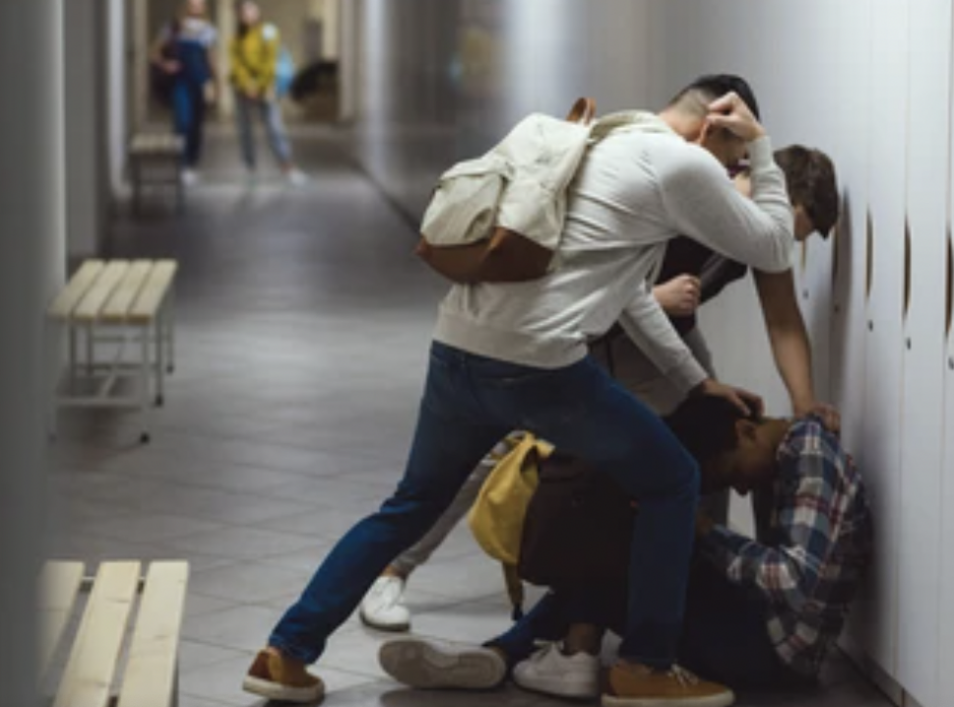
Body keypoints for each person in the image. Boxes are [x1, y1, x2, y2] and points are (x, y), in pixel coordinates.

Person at [243, 74, 795, 707]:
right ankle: (645, 665)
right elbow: (774, 243)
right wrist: (763, 148)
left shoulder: (597, 138)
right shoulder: (679, 162)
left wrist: (697, 383)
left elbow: (632, 296)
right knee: (672, 480)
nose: (728, 175)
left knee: (409, 505)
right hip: (540, 365)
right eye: (731, 160)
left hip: (458, 347)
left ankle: (285, 652)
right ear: (714, 129)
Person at [359, 144, 841, 632]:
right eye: (784, 227)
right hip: (583, 323)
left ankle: (679, 598)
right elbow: (587, 268)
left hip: (662, 338)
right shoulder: (689, 191)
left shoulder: (764, 231)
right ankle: (392, 570)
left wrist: (805, 409)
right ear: (763, 189)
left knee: (706, 440)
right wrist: (654, 298)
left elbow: (782, 319)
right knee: (499, 446)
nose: (777, 244)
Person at [378, 395, 873, 702]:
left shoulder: (806, 450)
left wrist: (705, 533)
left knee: (638, 544)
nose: (741, 490)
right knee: (637, 538)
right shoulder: (784, 455)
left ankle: (529, 654)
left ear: (745, 431)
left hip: (773, 653)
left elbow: (794, 580)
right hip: (759, 628)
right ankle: (529, 654)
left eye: (730, 474)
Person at [230, 1, 308, 186]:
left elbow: (271, 59)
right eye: (244, 11)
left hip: (266, 87)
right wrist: (247, 84)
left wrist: (260, 84)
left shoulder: (269, 31)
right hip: (243, 89)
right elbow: (237, 64)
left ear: (257, 11)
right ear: (239, 15)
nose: (248, 14)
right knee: (244, 129)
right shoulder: (236, 37)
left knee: (275, 127)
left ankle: (287, 166)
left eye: (251, 9)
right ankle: (249, 166)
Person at [151, 0, 219, 185]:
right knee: (183, 122)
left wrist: (215, 85)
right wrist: (166, 65)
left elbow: (212, 60)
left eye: (200, 3)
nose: (196, 6)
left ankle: (190, 165)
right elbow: (155, 52)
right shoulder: (173, 27)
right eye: (193, 2)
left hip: (200, 81)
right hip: (181, 82)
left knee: (197, 126)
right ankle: (179, 165)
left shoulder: (209, 30)